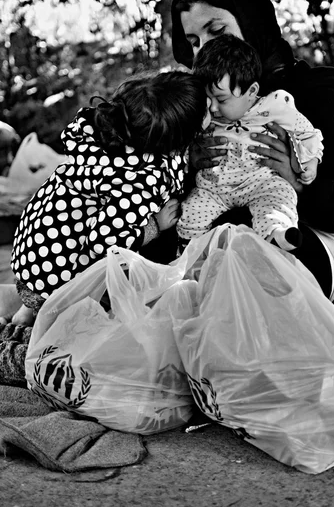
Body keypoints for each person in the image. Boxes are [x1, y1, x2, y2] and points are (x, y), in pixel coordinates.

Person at [171, 0, 334, 329]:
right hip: (213, 226)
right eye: (194, 41)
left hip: (308, 239)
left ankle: (323, 301)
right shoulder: (199, 105)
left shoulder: (310, 96)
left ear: (254, 24)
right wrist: (188, 165)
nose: (205, 49)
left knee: (244, 243)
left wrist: (298, 182)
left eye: (217, 31)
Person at [1, 70, 208, 384]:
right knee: (66, 338)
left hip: (34, 243)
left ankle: (21, 317)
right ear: (176, 141)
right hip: (56, 269)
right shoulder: (137, 185)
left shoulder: (112, 137)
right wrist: (155, 225)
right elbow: (103, 246)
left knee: (33, 307)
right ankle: (17, 359)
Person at [177, 34, 324, 252]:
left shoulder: (274, 106)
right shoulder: (205, 114)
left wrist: (310, 162)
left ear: (252, 91)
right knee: (191, 211)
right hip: (214, 187)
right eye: (208, 99)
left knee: (278, 198)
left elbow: (306, 133)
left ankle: (277, 234)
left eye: (222, 99)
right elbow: (183, 142)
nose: (214, 108)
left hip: (260, 183)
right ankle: (188, 253)